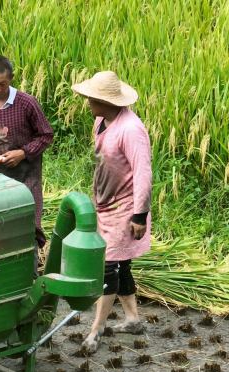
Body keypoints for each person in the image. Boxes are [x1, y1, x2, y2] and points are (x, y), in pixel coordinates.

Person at [71, 71, 152, 352]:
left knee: (107, 267)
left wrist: (139, 215)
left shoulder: (131, 129)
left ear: (107, 100)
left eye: (92, 98)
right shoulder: (101, 121)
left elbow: (143, 172)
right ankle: (132, 318)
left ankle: (96, 329)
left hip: (125, 208)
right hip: (105, 203)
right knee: (123, 264)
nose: (87, 101)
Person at [0, 55, 54, 249]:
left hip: (25, 179)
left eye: (2, 84)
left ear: (12, 78)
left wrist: (22, 153)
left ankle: (27, 271)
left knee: (24, 227)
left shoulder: (26, 103)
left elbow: (46, 135)